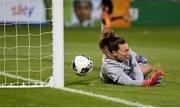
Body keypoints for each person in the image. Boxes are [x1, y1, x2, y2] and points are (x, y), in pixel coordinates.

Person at [99, 26, 164, 86]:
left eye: (128, 49)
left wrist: (141, 81)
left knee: (148, 67)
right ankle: (140, 60)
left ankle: (140, 59)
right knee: (142, 68)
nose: (129, 53)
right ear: (115, 53)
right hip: (115, 79)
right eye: (126, 51)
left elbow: (137, 72)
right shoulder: (109, 65)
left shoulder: (129, 54)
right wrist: (148, 82)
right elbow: (127, 81)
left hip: (127, 71)